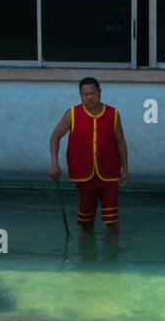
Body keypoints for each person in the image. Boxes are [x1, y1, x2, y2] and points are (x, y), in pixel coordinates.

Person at [49, 76, 129, 231]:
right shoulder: (72, 113)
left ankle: (112, 252)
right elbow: (55, 137)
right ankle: (86, 253)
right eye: (85, 94)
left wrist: (125, 170)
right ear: (80, 95)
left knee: (112, 221)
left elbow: (120, 142)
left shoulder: (113, 114)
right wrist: (54, 163)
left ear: (100, 92)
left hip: (109, 174)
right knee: (86, 222)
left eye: (93, 93)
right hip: (84, 175)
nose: (89, 97)